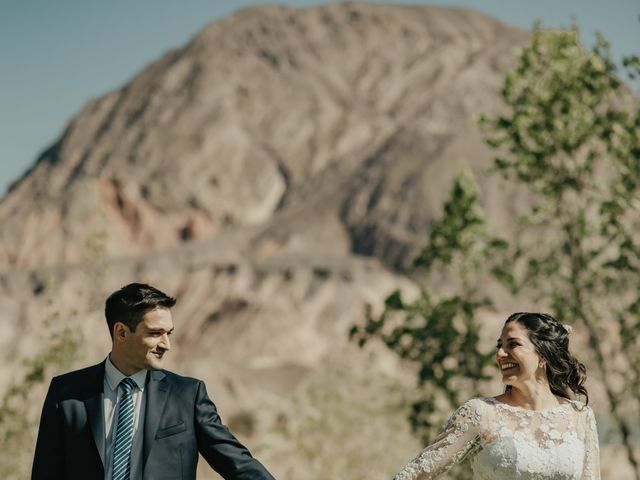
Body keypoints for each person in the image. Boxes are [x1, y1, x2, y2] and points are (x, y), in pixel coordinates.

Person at [32, 283, 276, 480]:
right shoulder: (65, 393)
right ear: (121, 333)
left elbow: (238, 465)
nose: (166, 344)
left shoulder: (188, 395)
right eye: (155, 333)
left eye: (168, 333)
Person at [394, 312, 601, 480]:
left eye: (513, 344)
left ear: (543, 355)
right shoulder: (480, 413)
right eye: (499, 345)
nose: (501, 354)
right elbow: (415, 474)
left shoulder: (580, 416)